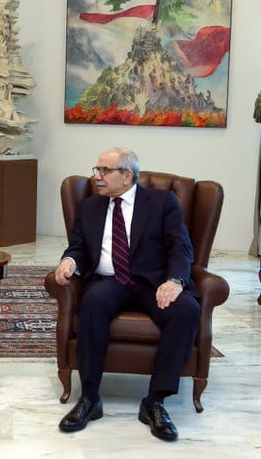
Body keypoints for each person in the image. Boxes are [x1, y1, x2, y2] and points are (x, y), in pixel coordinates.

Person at [53, 147, 200, 442]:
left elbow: (180, 247)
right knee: (92, 303)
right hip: (109, 281)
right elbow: (78, 247)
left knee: (186, 310)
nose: (97, 176)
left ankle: (155, 401)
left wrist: (175, 281)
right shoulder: (90, 207)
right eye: (96, 169)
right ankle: (90, 397)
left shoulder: (162, 202)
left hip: (152, 282)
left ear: (127, 175)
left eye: (104, 170)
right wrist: (69, 261)